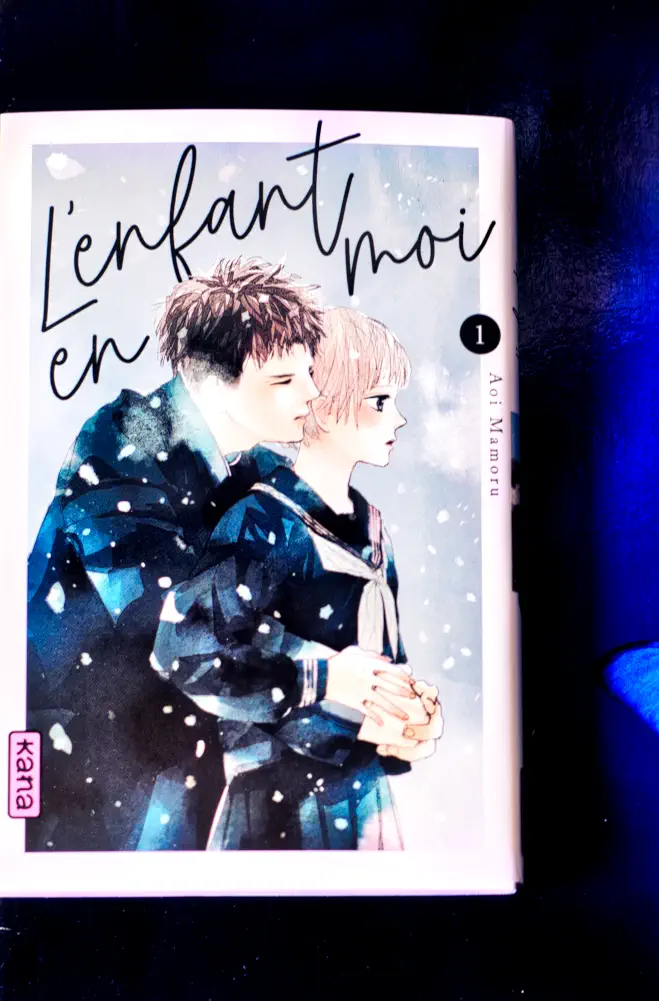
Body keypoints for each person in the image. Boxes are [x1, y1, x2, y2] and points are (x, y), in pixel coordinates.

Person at [25, 259, 409, 852]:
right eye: (284, 381)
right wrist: (325, 674)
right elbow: (170, 626)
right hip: (92, 767)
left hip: (202, 766)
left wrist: (381, 710)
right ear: (207, 379)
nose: (310, 394)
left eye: (308, 373)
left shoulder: (262, 473)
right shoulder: (123, 446)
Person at [153, 307, 443, 850]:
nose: (399, 419)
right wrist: (318, 678)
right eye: (380, 401)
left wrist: (408, 723)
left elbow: (382, 671)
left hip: (366, 805)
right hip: (275, 809)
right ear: (325, 406)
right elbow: (183, 647)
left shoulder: (373, 530)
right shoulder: (261, 521)